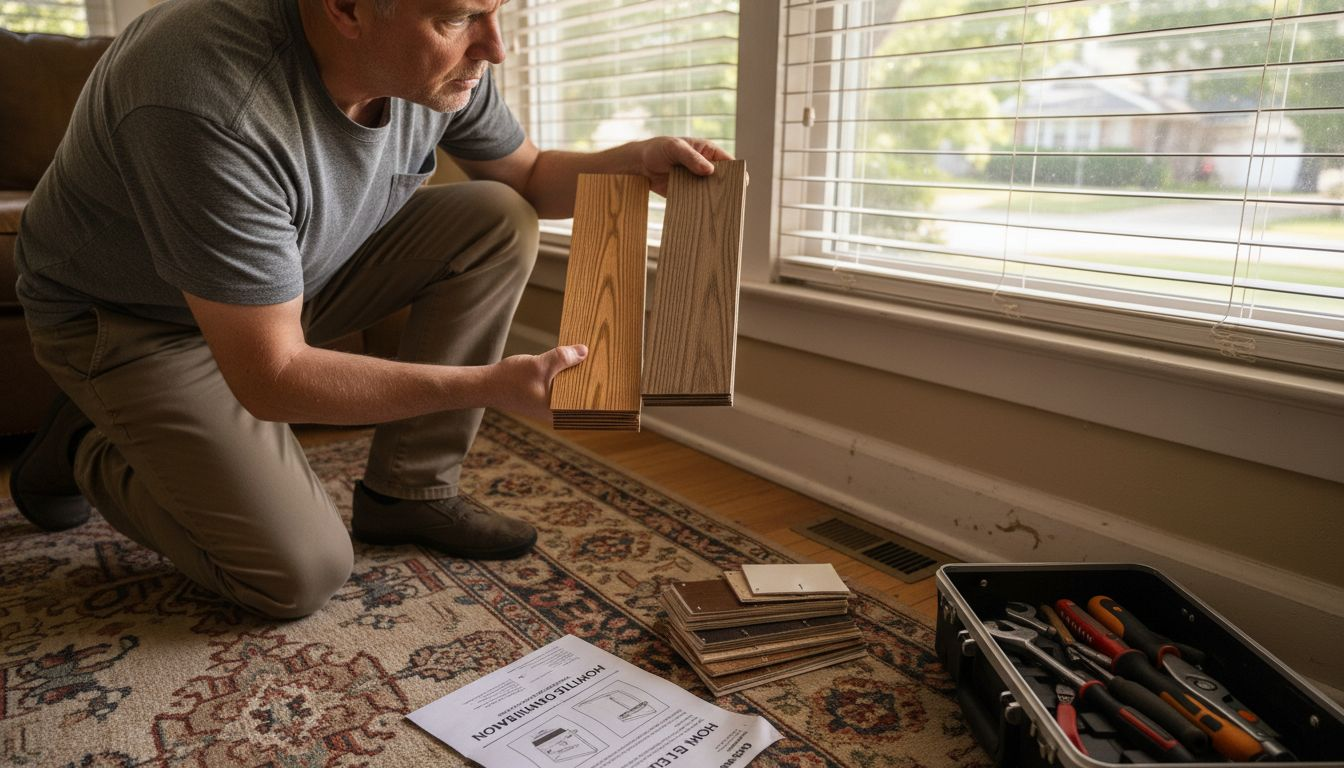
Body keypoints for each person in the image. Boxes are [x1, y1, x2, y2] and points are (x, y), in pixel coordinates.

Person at [9, 0, 730, 619]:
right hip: (137, 321)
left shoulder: (443, 65)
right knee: (298, 574)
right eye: (457, 17)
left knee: (498, 215)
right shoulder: (202, 96)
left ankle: (409, 491)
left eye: (495, 11)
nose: (494, 48)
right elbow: (272, 379)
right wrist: (493, 385)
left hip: (287, 283)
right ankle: (87, 445)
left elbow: (534, 180)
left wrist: (634, 160)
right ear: (348, 8)